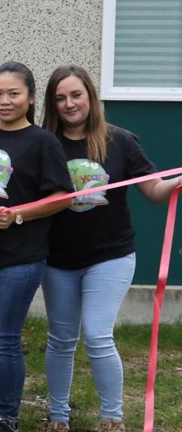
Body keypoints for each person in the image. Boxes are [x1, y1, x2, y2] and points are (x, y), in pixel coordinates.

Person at [39, 65, 182, 432]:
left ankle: (112, 418)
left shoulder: (121, 141)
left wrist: (177, 182)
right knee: (60, 338)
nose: (69, 104)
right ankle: (57, 416)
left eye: (76, 95)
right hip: (58, 259)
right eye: (60, 98)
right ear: (52, 104)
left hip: (111, 256)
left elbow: (153, 191)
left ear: (90, 96)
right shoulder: (44, 143)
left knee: (98, 333)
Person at [0, 62, 74, 432]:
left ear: (29, 98)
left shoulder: (44, 141)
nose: (4, 101)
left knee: (5, 337)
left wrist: (19, 215)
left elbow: (63, 197)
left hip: (22, 257)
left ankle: (6, 418)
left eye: (13, 94)